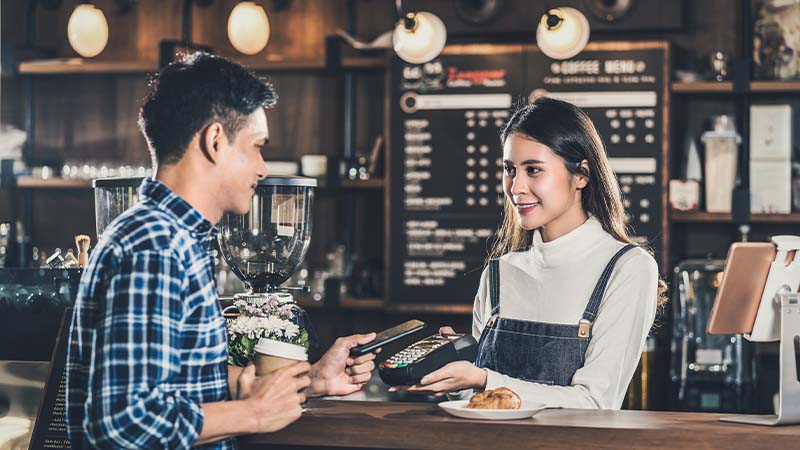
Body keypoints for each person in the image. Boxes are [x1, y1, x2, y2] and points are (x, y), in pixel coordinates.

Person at [65, 52, 378, 450]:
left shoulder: (175, 238)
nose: (262, 168)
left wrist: (309, 379)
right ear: (215, 141)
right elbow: (123, 423)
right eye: (256, 147)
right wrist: (254, 414)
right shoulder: (155, 246)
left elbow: (189, 379)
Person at [391, 97, 663, 409]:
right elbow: (478, 403)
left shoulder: (627, 268)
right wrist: (453, 381)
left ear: (581, 175)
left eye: (533, 170)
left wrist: (482, 379)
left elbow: (595, 402)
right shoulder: (499, 271)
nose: (516, 187)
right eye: (509, 169)